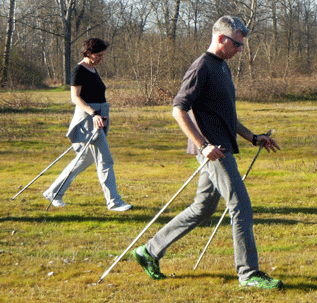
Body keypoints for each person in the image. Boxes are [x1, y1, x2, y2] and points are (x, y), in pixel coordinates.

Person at [132, 16, 283, 290]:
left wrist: (253, 137)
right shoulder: (202, 66)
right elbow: (178, 109)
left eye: (242, 45)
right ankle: (248, 273)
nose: (240, 50)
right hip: (214, 151)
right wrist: (203, 145)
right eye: (237, 44)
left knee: (202, 209)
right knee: (241, 206)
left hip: (221, 148)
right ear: (222, 38)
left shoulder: (222, 67)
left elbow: (226, 115)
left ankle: (149, 251)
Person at [43, 38, 132, 212]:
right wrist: (93, 114)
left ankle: (53, 192)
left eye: (103, 55)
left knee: (85, 159)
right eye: (99, 55)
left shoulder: (92, 69)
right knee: (105, 160)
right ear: (88, 53)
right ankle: (114, 202)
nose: (101, 58)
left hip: (99, 117)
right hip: (88, 119)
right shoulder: (79, 70)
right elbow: (75, 98)